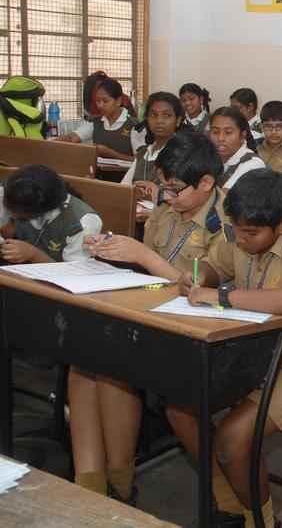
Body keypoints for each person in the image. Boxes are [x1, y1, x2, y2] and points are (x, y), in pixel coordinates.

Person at [166, 169, 282, 528]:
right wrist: (200, 276)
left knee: (232, 440)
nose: (241, 239)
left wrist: (223, 297)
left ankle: (263, 522)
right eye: (237, 230)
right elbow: (215, 266)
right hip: (254, 352)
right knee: (180, 408)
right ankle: (229, 501)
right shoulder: (239, 233)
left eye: (251, 233)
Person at [74, 132, 227, 506]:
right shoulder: (167, 210)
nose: (166, 196)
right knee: (82, 365)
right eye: (164, 187)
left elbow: (197, 285)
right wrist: (110, 249)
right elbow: (147, 273)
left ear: (207, 183)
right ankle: (89, 485)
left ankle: (120, 485)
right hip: (152, 311)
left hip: (202, 327)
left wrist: (141, 255)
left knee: (112, 369)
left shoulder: (226, 220)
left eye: (175, 189)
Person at [0, 164, 101, 263]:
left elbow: (74, 271)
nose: (13, 215)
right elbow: (8, 230)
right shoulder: (7, 192)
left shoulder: (83, 222)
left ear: (42, 209)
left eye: (20, 214)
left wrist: (33, 255)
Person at [123, 92, 188, 221]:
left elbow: (186, 198)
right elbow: (123, 188)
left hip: (168, 222)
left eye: (167, 115)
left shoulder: (183, 153)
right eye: (153, 115)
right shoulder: (143, 152)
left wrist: (155, 192)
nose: (159, 121)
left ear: (178, 120)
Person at [58, 76, 137, 181]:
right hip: (99, 180)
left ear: (118, 101)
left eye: (105, 101)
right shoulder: (96, 122)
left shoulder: (134, 125)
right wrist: (48, 143)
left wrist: (110, 153)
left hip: (125, 182)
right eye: (97, 101)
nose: (100, 105)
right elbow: (72, 138)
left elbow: (141, 161)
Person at [208, 107, 266, 190]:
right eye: (215, 132)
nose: (220, 138)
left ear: (242, 135)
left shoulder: (253, 164)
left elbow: (225, 196)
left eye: (228, 132)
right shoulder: (207, 157)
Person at [257, 100, 282, 177]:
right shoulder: (252, 147)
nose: (273, 132)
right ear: (261, 126)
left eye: (280, 126)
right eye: (268, 126)